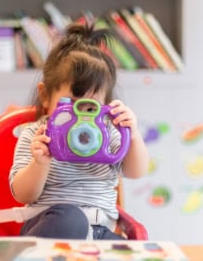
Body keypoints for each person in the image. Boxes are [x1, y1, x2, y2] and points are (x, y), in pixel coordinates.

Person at [9, 22, 149, 240]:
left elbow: (136, 171)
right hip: (52, 227)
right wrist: (39, 163)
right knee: (71, 219)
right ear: (45, 96)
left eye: (90, 107)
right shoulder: (36, 135)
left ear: (106, 105)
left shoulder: (107, 133)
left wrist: (132, 134)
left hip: (100, 231)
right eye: (71, 105)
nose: (80, 118)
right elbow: (23, 194)